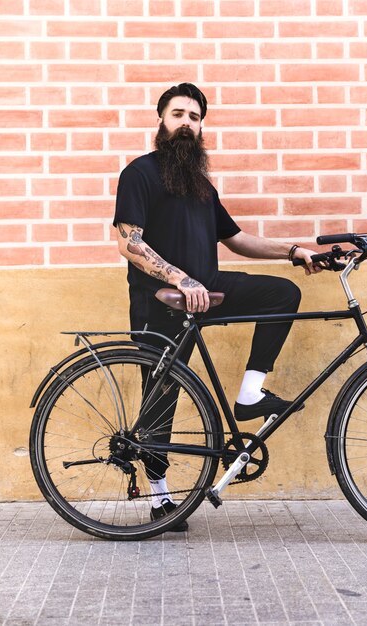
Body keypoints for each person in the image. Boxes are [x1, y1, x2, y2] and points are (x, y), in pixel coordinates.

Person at [114, 82, 322, 531]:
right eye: (177, 114)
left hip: (206, 292)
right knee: (161, 399)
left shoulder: (201, 185)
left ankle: (250, 394)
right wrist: (178, 278)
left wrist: (293, 251)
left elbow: (237, 239)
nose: (186, 123)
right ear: (161, 121)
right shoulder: (140, 173)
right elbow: (129, 242)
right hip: (161, 302)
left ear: (202, 125)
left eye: (194, 116)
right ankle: (160, 501)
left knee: (282, 294)